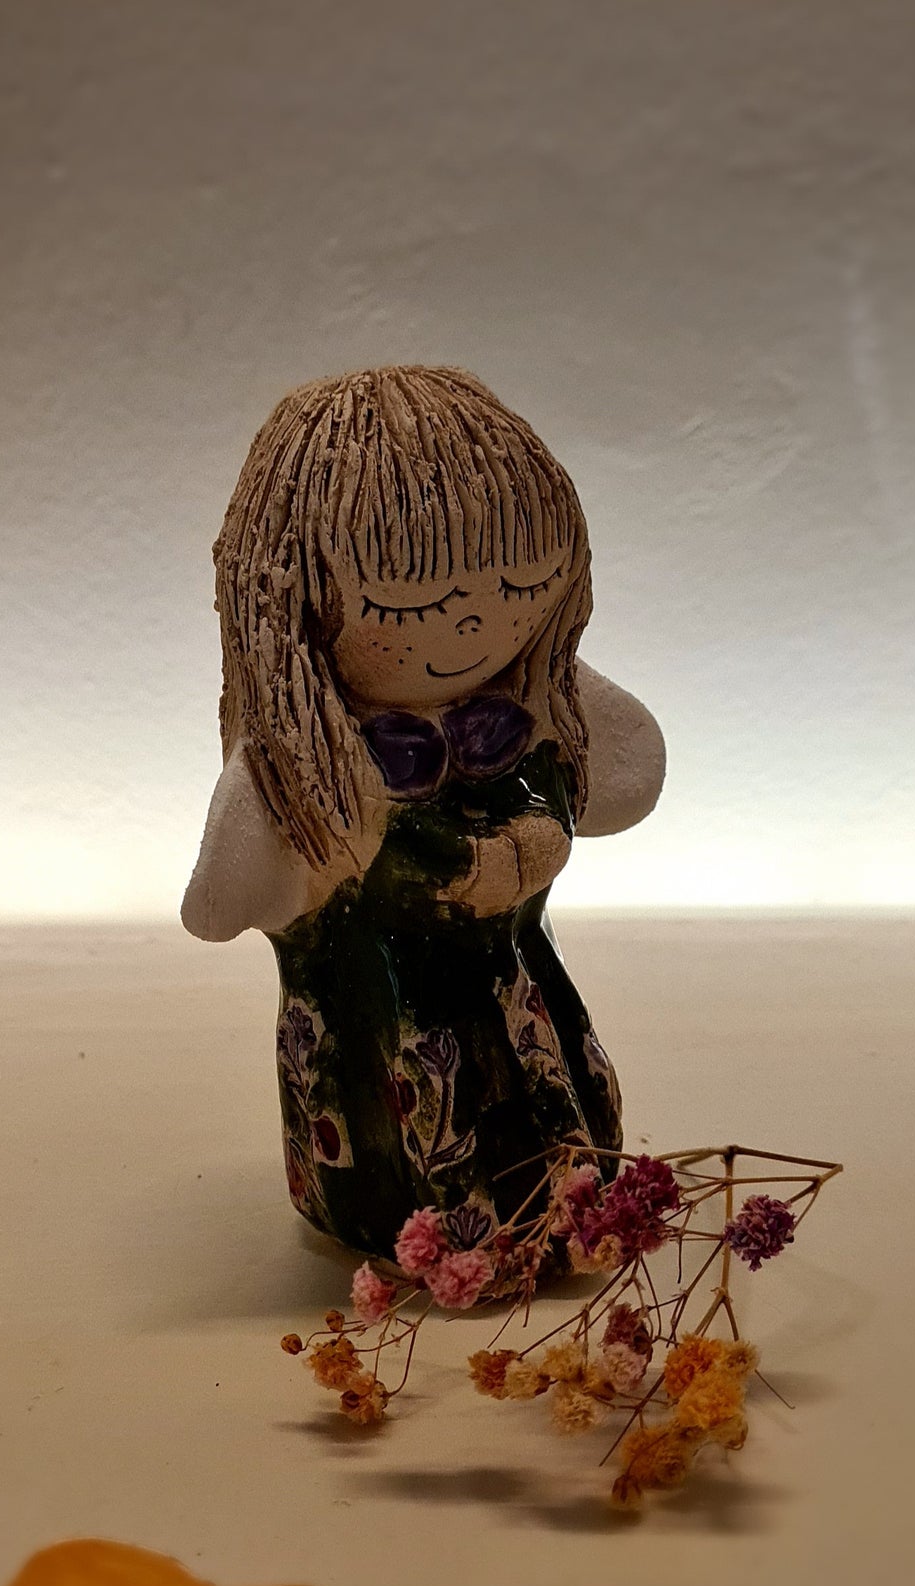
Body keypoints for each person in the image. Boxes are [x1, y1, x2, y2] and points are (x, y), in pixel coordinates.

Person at [183, 366, 664, 1264]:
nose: (481, 625)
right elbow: (222, 901)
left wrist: (537, 832)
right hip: (383, 1012)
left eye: (524, 589)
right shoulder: (309, 772)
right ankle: (419, 1228)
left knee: (545, 1101)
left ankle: (563, 1209)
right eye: (419, 607)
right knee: (408, 1131)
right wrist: (451, 863)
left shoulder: (532, 713)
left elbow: (623, 777)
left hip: (516, 982)